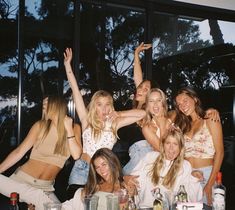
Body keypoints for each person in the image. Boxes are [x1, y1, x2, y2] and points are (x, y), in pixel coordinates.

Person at [63, 48, 146, 195]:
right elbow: (76, 91)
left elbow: (142, 113)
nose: (104, 108)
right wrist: (67, 65)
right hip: (82, 168)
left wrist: (119, 113)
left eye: (107, 104)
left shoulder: (114, 123)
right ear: (94, 107)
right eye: (100, 104)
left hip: (101, 173)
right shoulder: (86, 121)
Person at [0, 95, 82, 202]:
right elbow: (19, 152)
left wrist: (69, 129)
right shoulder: (40, 126)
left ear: (56, 105)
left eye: (45, 104)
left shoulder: (75, 128)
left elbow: (76, 155)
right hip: (22, 181)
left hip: (45, 188)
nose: (43, 108)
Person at [0, 148, 133, 210]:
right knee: (37, 195)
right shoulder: (95, 186)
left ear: (113, 162)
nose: (101, 170)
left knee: (37, 195)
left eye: (104, 164)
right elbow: (69, 206)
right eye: (97, 167)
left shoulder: (126, 187)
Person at [173, 87, 224, 207]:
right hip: (187, 175)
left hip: (207, 175)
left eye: (185, 101)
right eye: (179, 104)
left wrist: (210, 184)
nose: (182, 106)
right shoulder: (183, 126)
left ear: (195, 99)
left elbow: (220, 152)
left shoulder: (210, 119)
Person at [128, 127, 203, 209]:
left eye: (175, 144)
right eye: (168, 143)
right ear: (163, 145)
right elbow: (133, 181)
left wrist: (194, 179)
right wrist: (127, 179)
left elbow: (190, 198)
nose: (171, 148)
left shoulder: (185, 166)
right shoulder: (151, 157)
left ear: (181, 147)